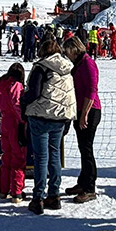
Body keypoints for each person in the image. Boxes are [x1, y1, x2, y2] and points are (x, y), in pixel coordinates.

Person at [21, 38, 75, 215]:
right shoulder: (67, 69)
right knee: (55, 157)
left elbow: (34, 93)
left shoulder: (41, 67)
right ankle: (54, 195)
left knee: (41, 158)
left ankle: (38, 198)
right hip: (60, 118)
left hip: (41, 117)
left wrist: (22, 101)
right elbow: (69, 95)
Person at [64, 37, 101, 203]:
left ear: (74, 50)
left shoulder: (87, 63)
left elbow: (91, 90)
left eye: (68, 52)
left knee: (87, 150)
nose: (67, 56)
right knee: (82, 148)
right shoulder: (78, 64)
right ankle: (83, 182)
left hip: (90, 111)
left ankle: (90, 188)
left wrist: (84, 114)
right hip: (79, 110)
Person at [0, 63, 27, 202]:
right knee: (18, 157)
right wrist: (24, 120)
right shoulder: (16, 85)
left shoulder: (2, 86)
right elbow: (16, 104)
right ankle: (16, 192)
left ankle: (3, 190)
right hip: (15, 123)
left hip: (4, 121)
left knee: (6, 156)